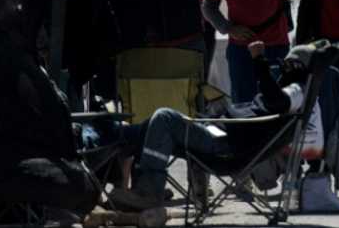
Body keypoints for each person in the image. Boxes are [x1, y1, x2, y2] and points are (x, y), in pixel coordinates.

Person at [105, 40, 326, 211]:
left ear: (296, 66)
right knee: (143, 128)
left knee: (164, 118)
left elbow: (277, 100)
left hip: (226, 147)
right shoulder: (298, 92)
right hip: (222, 135)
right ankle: (107, 154)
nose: (283, 69)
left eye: (287, 65)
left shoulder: (297, 90)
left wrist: (259, 61)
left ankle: (148, 191)